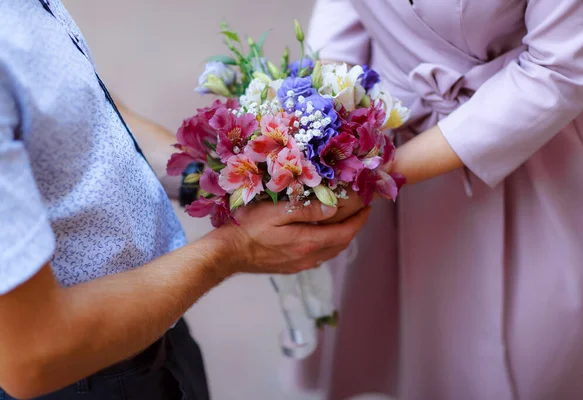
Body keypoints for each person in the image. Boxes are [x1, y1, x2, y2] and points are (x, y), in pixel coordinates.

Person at [0, 0, 371, 398]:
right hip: (82, 378)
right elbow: (33, 356)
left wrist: (226, 176)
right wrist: (235, 248)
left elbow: (79, 110)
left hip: (155, 320)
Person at [297, 0, 583, 399]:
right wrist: (322, 110)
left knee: (539, 353)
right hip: (377, 133)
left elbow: (560, 67)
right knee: (395, 341)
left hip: (528, 142)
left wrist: (382, 174)